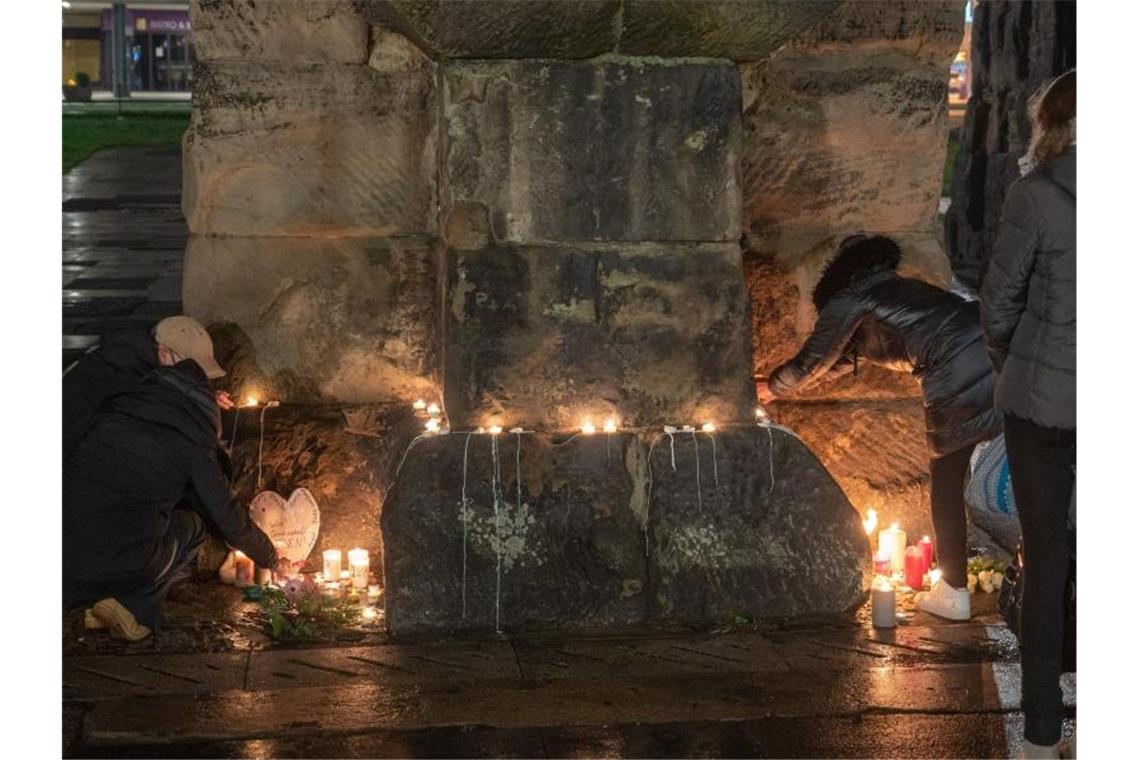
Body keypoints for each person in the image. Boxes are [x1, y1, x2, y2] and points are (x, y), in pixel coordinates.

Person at [758, 234, 1002, 620]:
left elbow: (813, 360)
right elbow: (837, 361)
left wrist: (770, 388)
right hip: (995, 350)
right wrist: (781, 388)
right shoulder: (893, 291)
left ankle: (953, 591)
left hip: (953, 365)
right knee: (1020, 465)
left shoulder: (849, 298)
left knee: (946, 479)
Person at [63, 322, 289, 641]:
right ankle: (133, 609)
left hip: (61, 552)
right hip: (119, 563)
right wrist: (270, 557)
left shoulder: (120, 395)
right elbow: (226, 517)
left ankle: (100, 604)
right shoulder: (192, 439)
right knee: (192, 526)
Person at [981, 69, 1075, 760]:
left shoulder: (1037, 195)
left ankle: (1042, 735)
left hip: (1042, 406)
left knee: (1046, 561)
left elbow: (998, 303)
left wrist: (1017, 360)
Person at [63, 315, 235, 462]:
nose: (194, 377)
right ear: (164, 351)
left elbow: (172, 390)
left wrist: (204, 396)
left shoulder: (141, 361)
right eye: (189, 367)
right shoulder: (125, 372)